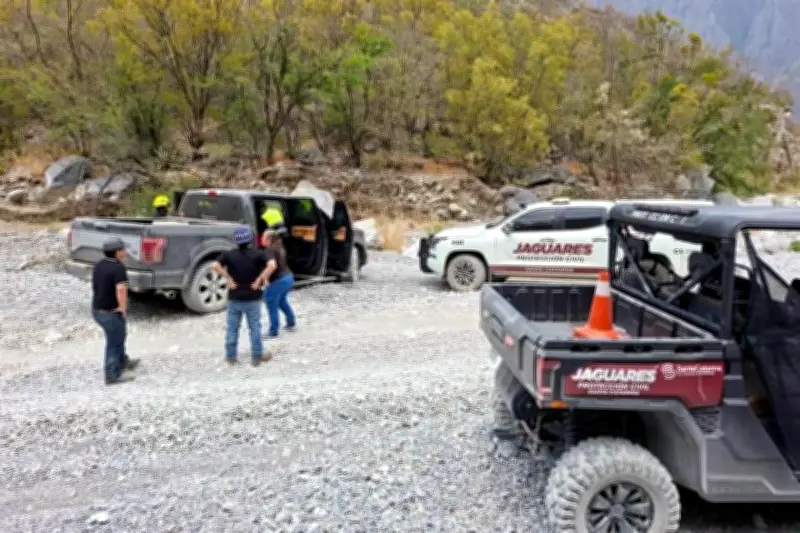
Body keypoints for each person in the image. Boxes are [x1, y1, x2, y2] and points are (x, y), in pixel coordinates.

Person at [213, 226, 273, 366]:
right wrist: (260, 279)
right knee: (255, 328)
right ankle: (257, 357)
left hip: (234, 298)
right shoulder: (258, 254)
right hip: (253, 298)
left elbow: (215, 265)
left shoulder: (229, 255)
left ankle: (231, 357)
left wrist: (228, 279)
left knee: (232, 328)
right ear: (250, 239)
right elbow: (272, 265)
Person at [92, 238, 140, 385]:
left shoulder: (100, 265)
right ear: (117, 252)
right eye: (123, 249)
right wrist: (123, 308)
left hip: (97, 309)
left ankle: (122, 362)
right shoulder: (118, 268)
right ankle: (112, 374)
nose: (125, 251)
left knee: (119, 336)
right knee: (114, 342)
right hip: (111, 312)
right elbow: (121, 289)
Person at [261, 229, 297, 339]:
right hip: (289, 278)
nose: (261, 239)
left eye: (263, 237)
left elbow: (272, 266)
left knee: (271, 302)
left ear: (269, 239)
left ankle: (273, 331)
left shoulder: (269, 250)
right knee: (281, 301)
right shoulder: (279, 246)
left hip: (279, 280)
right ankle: (291, 322)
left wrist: (264, 278)